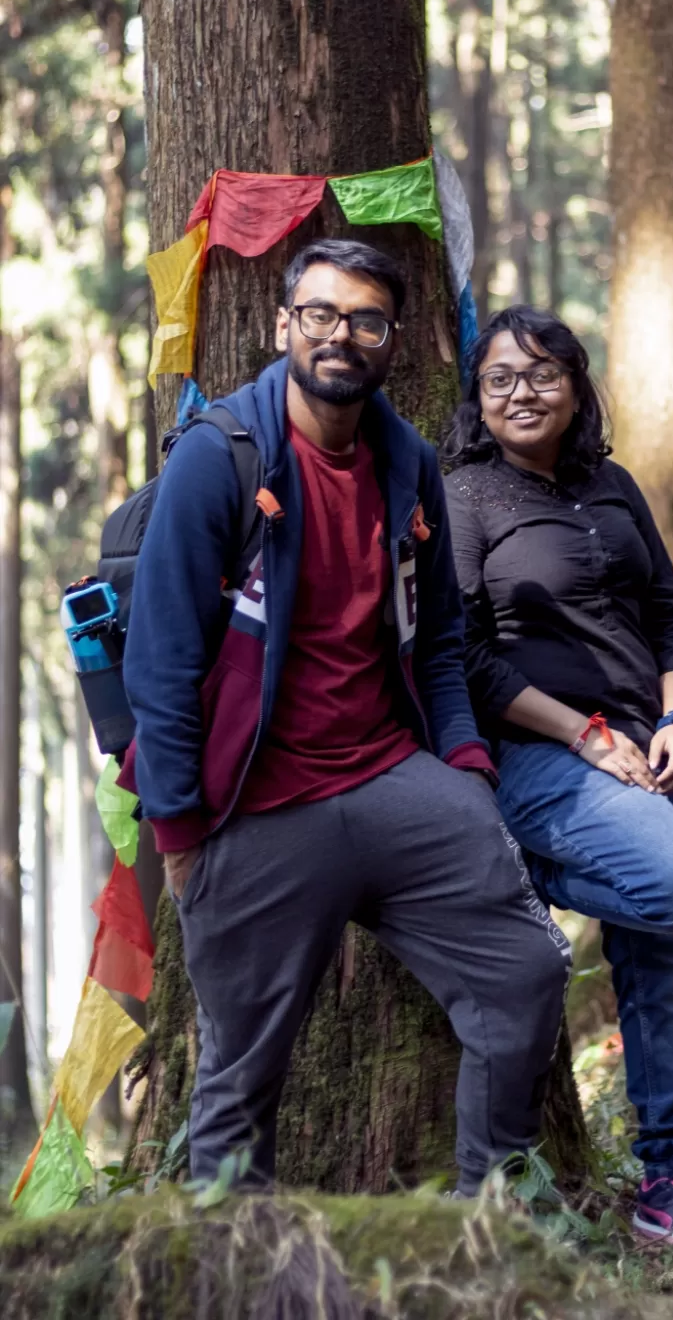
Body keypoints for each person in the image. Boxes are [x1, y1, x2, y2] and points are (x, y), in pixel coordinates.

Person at [122, 241, 570, 1192]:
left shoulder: (406, 460)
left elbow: (441, 639)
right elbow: (160, 662)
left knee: (526, 971)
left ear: (390, 341)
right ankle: (238, 1270)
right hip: (254, 808)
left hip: (394, 777)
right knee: (241, 1078)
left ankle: (484, 1220)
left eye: (364, 320)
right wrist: (179, 835)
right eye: (319, 315)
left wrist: (464, 768)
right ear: (283, 327)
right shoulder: (221, 460)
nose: (340, 336)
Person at [442, 305, 673, 1248]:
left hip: (649, 754)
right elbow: (464, 656)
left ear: (576, 389)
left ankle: (668, 1180)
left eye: (541, 375)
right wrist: (585, 735)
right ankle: (517, 871)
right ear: (478, 398)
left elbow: (668, 613)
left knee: (657, 964)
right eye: (500, 379)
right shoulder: (466, 496)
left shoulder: (612, 485)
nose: (521, 393)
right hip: (543, 758)